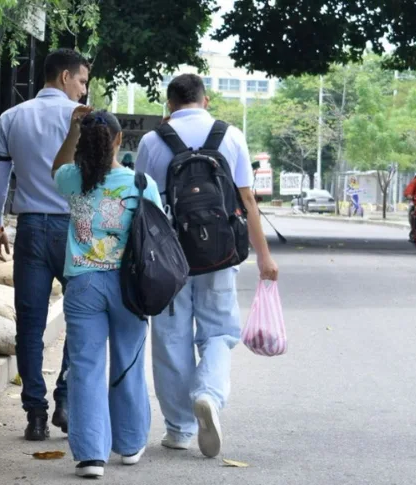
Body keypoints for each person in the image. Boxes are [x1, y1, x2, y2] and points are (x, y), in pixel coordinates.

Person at [134, 74, 279, 458]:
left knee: (170, 339)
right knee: (219, 331)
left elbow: (142, 202)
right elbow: (247, 200)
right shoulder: (230, 136)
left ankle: (179, 429)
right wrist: (264, 255)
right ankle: (208, 394)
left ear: (169, 103)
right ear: (206, 99)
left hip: (167, 257)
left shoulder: (152, 141)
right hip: (219, 252)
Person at [51, 106, 160, 478]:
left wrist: (71, 132)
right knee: (128, 359)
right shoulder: (140, 184)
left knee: (85, 366)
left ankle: (90, 455)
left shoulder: (71, 179)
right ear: (118, 140)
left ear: (85, 141)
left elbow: (57, 166)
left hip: (82, 283)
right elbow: (157, 237)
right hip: (129, 285)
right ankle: (129, 444)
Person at [0, 48, 89, 441]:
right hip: (74, 232)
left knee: (29, 326)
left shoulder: (12, 117)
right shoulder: (84, 119)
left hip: (29, 230)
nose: (83, 90)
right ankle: (64, 398)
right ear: (64, 77)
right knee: (81, 319)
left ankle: (35, 413)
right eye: (81, 80)